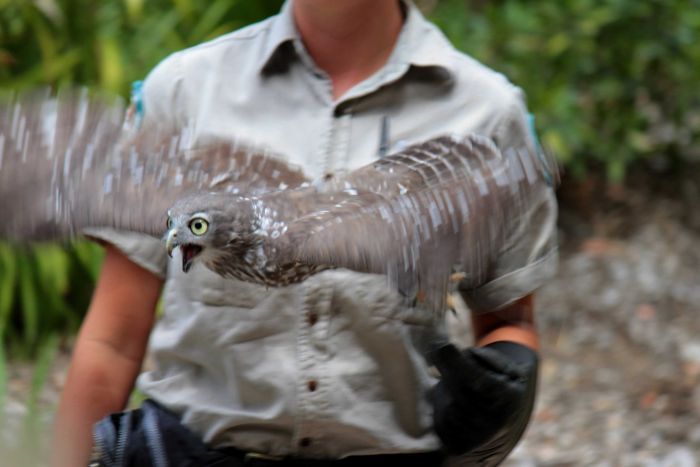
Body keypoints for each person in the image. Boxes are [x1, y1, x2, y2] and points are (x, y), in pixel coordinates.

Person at [52, 0, 557, 465]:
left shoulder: (486, 113)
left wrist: (506, 380)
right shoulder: (187, 91)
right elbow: (113, 341)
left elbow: (507, 321)